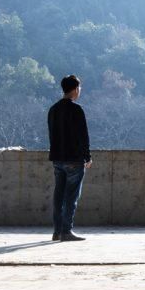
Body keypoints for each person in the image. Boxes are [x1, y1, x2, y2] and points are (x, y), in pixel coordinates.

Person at [46, 74, 91, 241]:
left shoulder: (53, 110)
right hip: (74, 160)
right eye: (79, 88)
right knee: (71, 197)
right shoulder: (76, 110)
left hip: (57, 159)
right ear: (75, 89)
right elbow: (83, 136)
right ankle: (66, 231)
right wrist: (88, 157)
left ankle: (57, 231)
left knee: (58, 196)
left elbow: (52, 135)